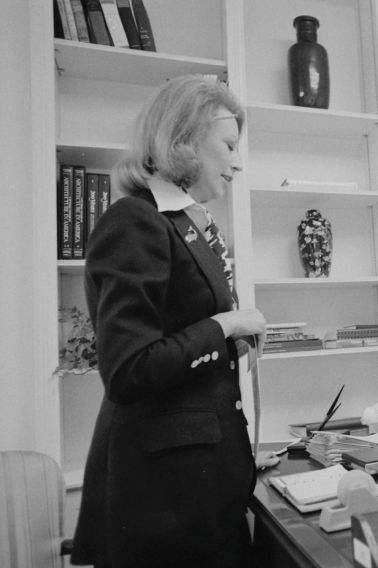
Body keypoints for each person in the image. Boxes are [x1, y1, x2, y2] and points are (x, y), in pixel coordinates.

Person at [71, 75, 273, 568]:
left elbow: (180, 347)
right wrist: (225, 328)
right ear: (183, 139)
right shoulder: (135, 220)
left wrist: (230, 343)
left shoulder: (186, 223)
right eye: (228, 145)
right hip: (161, 508)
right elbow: (129, 369)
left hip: (200, 486)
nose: (238, 162)